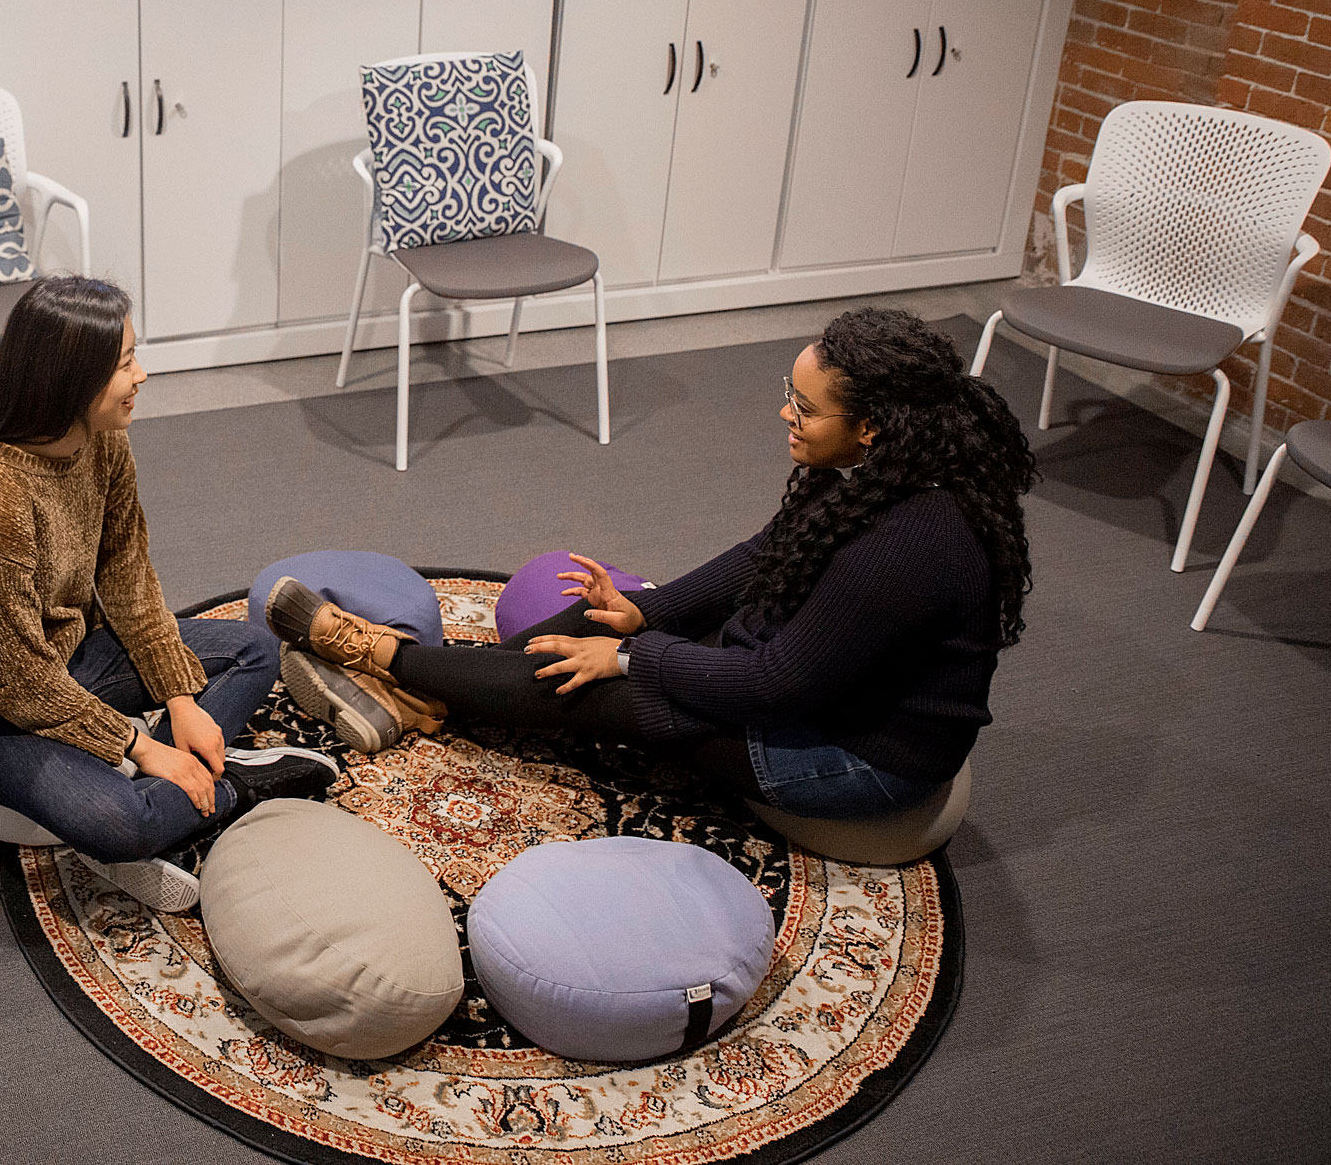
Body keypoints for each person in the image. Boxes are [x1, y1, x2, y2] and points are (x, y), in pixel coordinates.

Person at [271, 306, 1035, 820]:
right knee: (600, 622)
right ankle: (424, 695)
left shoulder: (912, 542)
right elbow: (764, 554)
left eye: (804, 409)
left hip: (856, 755)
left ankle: (382, 656)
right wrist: (646, 615)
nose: (784, 415)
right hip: (824, 688)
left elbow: (775, 684)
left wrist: (635, 659)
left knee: (612, 692)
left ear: (872, 426)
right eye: (788, 395)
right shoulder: (883, 473)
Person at [0, 275, 337, 912]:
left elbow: (127, 576)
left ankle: (167, 788)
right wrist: (140, 746)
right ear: (67, 379)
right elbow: (17, 682)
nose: (142, 375)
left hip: (66, 660)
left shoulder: (104, 442)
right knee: (118, 825)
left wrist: (181, 699)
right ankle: (236, 785)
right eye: (125, 361)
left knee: (254, 650)